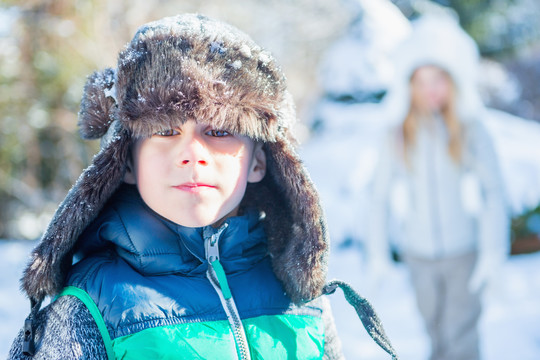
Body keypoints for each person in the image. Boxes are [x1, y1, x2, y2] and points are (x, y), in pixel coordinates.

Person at [9, 14, 397, 360]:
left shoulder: (301, 299)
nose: (193, 153)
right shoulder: (90, 308)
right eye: (165, 130)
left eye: (220, 131)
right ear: (125, 161)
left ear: (259, 160)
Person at [365, 15, 509, 360]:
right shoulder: (397, 133)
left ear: (453, 80)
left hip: (463, 252)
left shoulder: (470, 130)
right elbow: (378, 196)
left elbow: (494, 193)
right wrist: (377, 253)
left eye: (439, 78)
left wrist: (493, 253)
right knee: (435, 335)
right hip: (419, 255)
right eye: (422, 80)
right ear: (409, 84)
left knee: (460, 337)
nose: (431, 89)